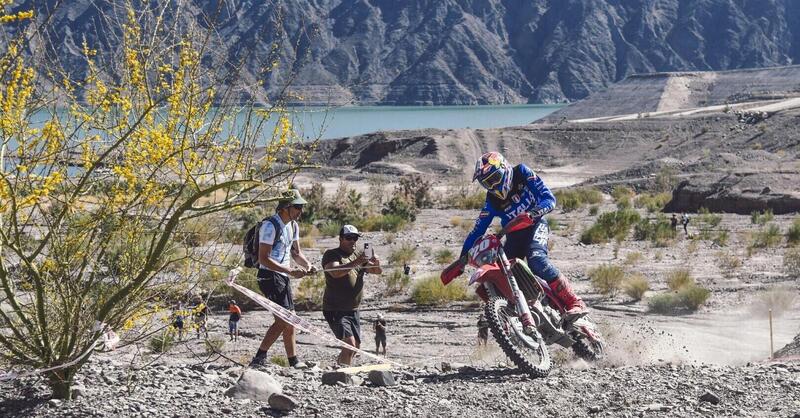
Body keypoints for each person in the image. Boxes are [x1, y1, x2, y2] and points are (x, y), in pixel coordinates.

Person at [459, 152, 587, 320]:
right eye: (487, 183)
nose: (492, 186)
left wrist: (533, 214)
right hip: (513, 235)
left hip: (535, 225)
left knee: (537, 260)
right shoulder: (492, 200)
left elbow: (549, 199)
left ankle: (574, 302)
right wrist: (462, 259)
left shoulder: (521, 173)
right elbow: (477, 230)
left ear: (504, 169)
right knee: (501, 274)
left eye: (495, 178)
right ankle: (515, 318)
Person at [250, 189, 314, 368]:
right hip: (269, 276)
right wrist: (290, 271)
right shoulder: (270, 226)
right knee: (284, 319)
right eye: (297, 207)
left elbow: (296, 253)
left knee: (290, 318)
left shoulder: (293, 225)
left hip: (283, 276)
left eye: (301, 207)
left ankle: (293, 361)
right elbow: (264, 258)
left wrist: (307, 265)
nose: (301, 211)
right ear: (286, 207)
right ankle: (259, 357)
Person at [322, 225, 382, 366]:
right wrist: (358, 261)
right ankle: (344, 376)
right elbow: (335, 272)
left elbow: (376, 271)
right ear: (341, 239)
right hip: (335, 308)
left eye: (355, 238)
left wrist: (376, 263)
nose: (352, 241)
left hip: (353, 309)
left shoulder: (359, 254)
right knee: (349, 344)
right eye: (348, 238)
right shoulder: (332, 254)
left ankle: (339, 367)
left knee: (355, 348)